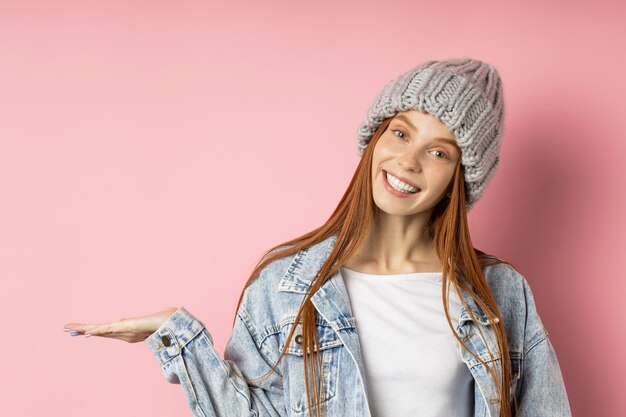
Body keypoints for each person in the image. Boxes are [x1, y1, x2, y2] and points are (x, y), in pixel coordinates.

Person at [63, 57, 572, 417]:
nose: (409, 162)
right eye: (400, 133)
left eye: (440, 152)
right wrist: (178, 339)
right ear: (375, 139)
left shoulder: (499, 294)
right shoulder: (287, 282)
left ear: (460, 178)